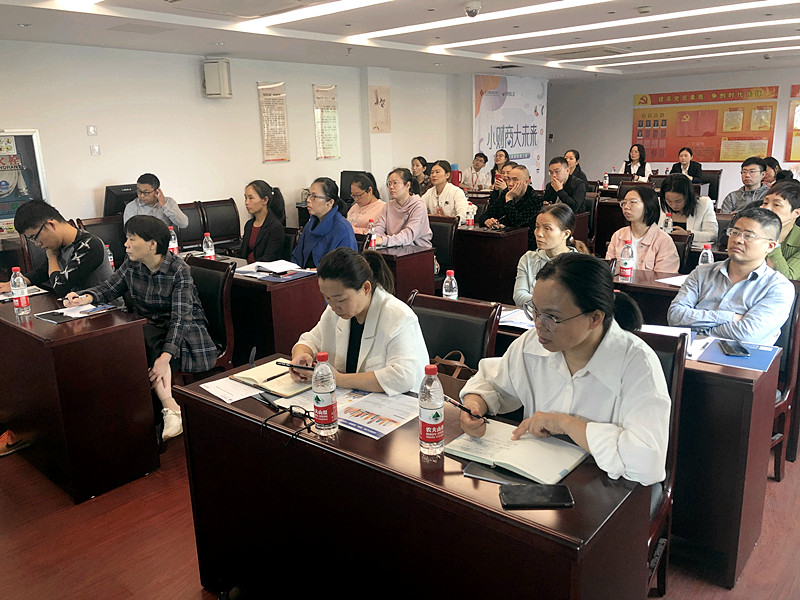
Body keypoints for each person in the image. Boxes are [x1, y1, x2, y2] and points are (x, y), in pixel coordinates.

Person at [459, 252, 670, 486]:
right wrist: (474, 404)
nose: (538, 325)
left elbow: (647, 464)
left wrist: (565, 424)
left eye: (551, 317)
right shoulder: (531, 345)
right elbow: (492, 383)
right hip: (536, 479)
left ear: (595, 318)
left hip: (608, 489)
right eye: (535, 310)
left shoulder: (637, 364)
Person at [64, 216, 217, 440]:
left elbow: (180, 319)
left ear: (152, 244)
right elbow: (109, 288)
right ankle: (161, 409)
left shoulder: (178, 270)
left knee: (143, 342)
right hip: (150, 327)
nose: (125, 244)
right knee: (130, 341)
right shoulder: (132, 264)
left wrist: (165, 358)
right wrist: (84, 298)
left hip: (184, 332)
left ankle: (164, 412)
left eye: (131, 239)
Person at [289, 248, 429, 396]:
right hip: (352, 399)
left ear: (365, 288)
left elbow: (402, 377)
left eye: (341, 300)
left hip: (401, 402)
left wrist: (339, 379)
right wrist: (301, 356)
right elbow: (310, 340)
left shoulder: (399, 317)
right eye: (327, 298)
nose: (334, 306)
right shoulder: (335, 311)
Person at [667, 207, 794, 345]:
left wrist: (700, 333)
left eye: (749, 235)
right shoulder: (701, 273)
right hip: (690, 352)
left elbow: (748, 334)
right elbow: (674, 316)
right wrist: (732, 317)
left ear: (770, 246)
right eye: (735, 232)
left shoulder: (779, 287)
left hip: (743, 356)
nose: (737, 239)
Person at [0, 200, 113, 297]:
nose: (37, 244)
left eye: (35, 237)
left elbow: (60, 286)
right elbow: (43, 272)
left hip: (105, 309)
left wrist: (52, 258)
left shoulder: (89, 245)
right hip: (77, 307)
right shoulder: (59, 245)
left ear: (51, 225)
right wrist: (15, 283)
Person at [513, 204, 587, 307]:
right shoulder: (528, 258)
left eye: (547, 228)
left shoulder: (580, 264)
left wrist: (538, 302)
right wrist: (551, 303)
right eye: (537, 227)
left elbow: (573, 303)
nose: (539, 233)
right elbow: (519, 296)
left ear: (566, 234)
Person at [607, 187, 680, 273]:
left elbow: (663, 278)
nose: (626, 207)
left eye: (633, 202)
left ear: (648, 205)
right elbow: (608, 272)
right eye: (624, 202)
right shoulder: (618, 236)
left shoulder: (663, 241)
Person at [292, 177, 357, 268]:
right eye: (309, 195)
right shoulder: (310, 225)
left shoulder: (342, 228)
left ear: (330, 202)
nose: (308, 200)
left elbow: (345, 266)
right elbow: (297, 257)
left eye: (314, 196)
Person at [479, 164, 543, 250]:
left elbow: (517, 223)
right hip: (504, 239)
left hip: (526, 243)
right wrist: (487, 221)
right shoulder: (505, 193)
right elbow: (484, 215)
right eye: (508, 179)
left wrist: (509, 199)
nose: (510, 183)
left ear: (526, 182)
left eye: (515, 180)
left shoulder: (535, 199)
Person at [373, 168, 432, 248]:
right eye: (389, 184)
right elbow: (379, 227)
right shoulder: (388, 205)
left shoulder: (418, 206)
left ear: (408, 185)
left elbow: (408, 235)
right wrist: (377, 238)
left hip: (418, 250)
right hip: (394, 248)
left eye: (395, 183)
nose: (391, 187)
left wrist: (383, 241)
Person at [657, 173, 718, 243]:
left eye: (678, 201)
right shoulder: (659, 203)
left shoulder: (704, 204)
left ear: (688, 197)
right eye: (669, 201)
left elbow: (713, 235)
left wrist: (687, 234)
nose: (673, 205)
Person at [238, 180, 285, 263]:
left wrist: (250, 267)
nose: (246, 202)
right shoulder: (249, 225)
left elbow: (270, 257)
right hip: (246, 266)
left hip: (260, 268)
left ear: (265, 200)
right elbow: (242, 253)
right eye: (246, 198)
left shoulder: (275, 227)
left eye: (251, 198)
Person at [762, 180, 800, 279]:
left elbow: (788, 277)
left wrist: (773, 238)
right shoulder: (755, 232)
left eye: (776, 205)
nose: (767, 208)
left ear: (796, 213)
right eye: (765, 203)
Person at [123, 173, 188, 229]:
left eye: (146, 192)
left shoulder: (168, 202)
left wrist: (164, 206)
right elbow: (130, 232)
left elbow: (183, 224)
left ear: (157, 191)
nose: (142, 195)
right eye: (139, 191)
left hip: (165, 239)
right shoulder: (132, 207)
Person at [421, 160, 468, 224]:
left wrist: (446, 219)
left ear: (447, 175)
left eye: (437, 172)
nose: (433, 175)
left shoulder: (456, 192)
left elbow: (463, 215)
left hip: (452, 228)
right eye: (432, 172)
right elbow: (419, 209)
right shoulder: (429, 192)